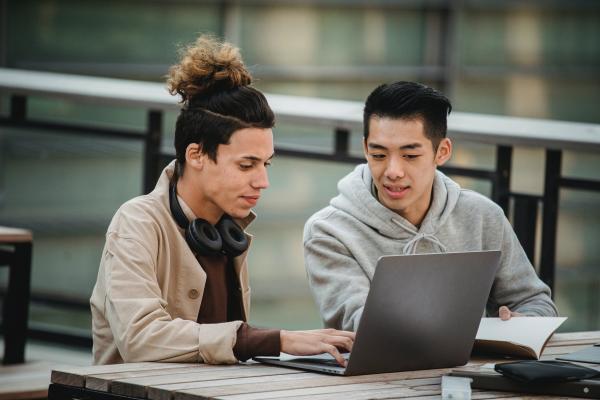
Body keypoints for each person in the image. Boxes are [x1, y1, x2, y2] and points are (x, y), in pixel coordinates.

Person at [90, 35, 354, 366]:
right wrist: (277, 340)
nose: (263, 181)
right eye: (247, 165)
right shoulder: (137, 223)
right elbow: (140, 338)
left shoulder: (227, 231)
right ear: (196, 154)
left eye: (266, 164)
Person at [303, 81, 558, 332]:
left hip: (469, 368)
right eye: (378, 155)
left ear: (442, 151)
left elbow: (535, 302)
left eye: (410, 156)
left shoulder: (482, 215)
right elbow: (360, 325)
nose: (393, 172)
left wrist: (521, 322)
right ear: (365, 149)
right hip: (377, 373)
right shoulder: (329, 231)